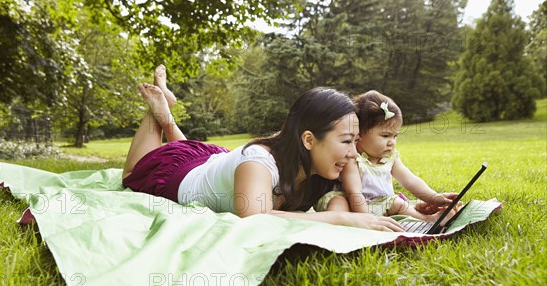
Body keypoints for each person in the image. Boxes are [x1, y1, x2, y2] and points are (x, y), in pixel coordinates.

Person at [123, 65, 406, 231]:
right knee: (132, 174)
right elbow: (254, 217)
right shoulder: (258, 162)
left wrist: (417, 210)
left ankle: (167, 115)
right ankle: (159, 110)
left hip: (216, 165)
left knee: (194, 154)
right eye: (346, 142)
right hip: (179, 176)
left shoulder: (321, 167)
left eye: (354, 143)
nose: (354, 153)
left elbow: (365, 198)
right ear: (308, 140)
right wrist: (342, 219)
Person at [317, 90, 458, 221]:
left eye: (395, 136)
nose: (392, 142)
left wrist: (433, 197)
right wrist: (367, 220)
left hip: (381, 204)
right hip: (354, 204)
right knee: (338, 202)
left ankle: (426, 220)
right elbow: (354, 192)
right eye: (385, 135)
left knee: (398, 203)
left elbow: (410, 180)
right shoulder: (353, 159)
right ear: (360, 133)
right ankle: (334, 223)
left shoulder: (390, 158)